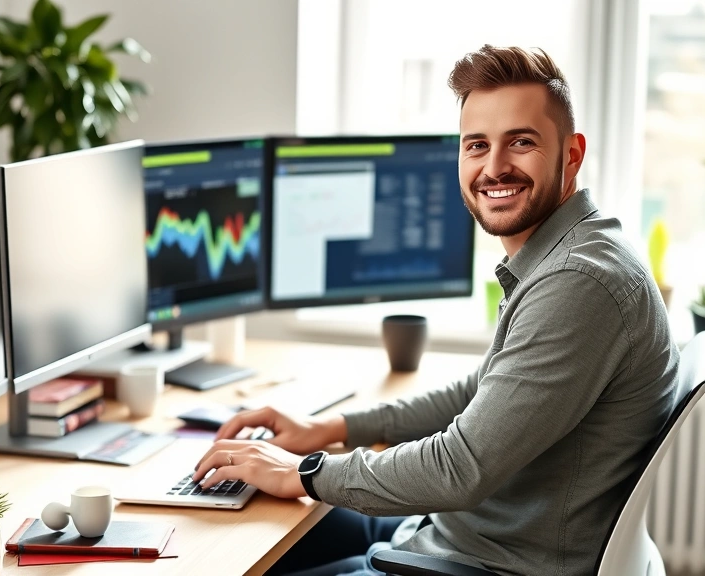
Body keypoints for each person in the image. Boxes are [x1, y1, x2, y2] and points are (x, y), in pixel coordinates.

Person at [191, 45, 679, 576]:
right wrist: (330, 428)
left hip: (484, 563)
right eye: (477, 145)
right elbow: (478, 393)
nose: (494, 167)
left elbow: (460, 467)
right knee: (257, 528)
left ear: (571, 154)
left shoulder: (577, 282)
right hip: (459, 535)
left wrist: (305, 472)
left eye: (521, 142)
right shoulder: (571, 255)